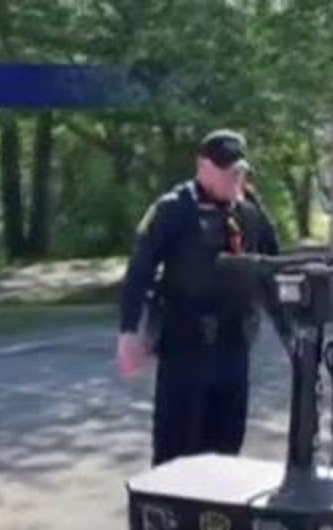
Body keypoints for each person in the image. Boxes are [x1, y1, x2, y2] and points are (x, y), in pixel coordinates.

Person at [117, 129, 279, 466]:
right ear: (202, 167)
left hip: (233, 349)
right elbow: (139, 272)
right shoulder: (175, 209)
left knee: (225, 453)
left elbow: (272, 270)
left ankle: (219, 519)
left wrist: (292, 330)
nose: (235, 177)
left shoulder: (250, 212)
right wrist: (130, 333)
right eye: (226, 170)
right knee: (175, 454)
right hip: (185, 349)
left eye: (239, 170)